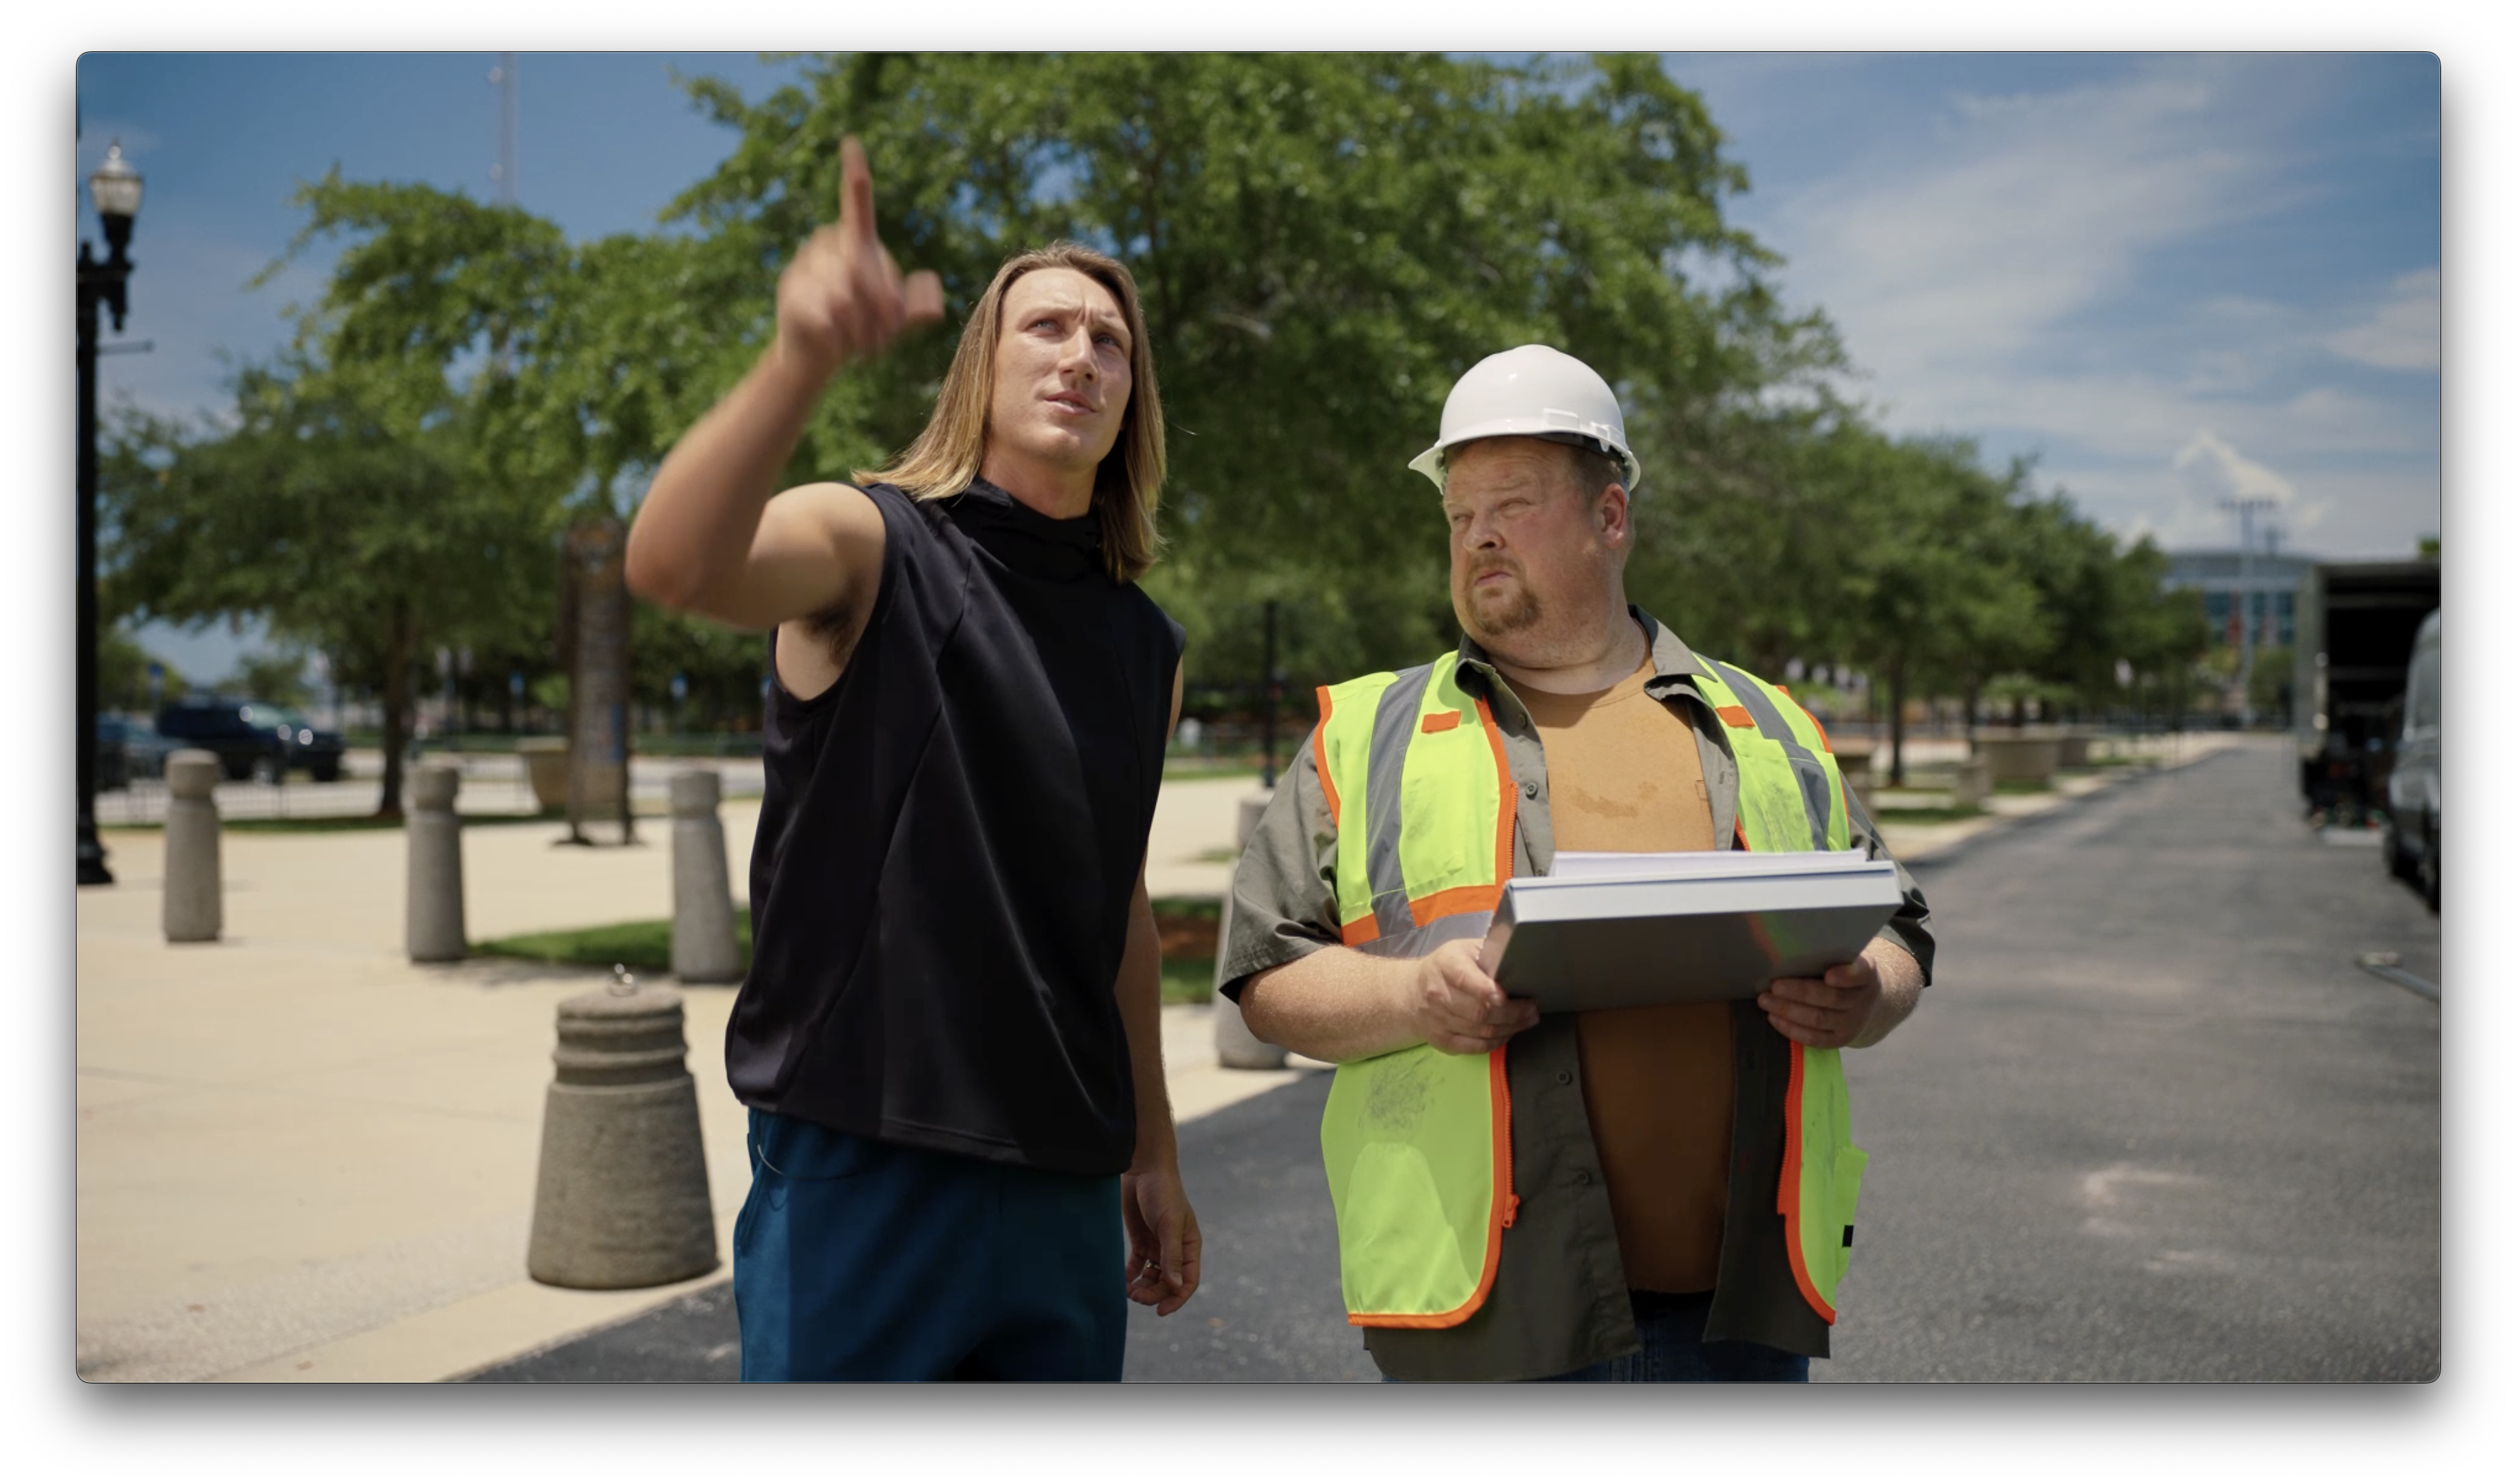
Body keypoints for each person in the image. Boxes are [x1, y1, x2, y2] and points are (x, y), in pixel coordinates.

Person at [1220, 345, 1933, 1383]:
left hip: (1735, 1322)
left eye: (1510, 503)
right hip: (1486, 1320)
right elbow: (1265, 978)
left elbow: (1897, 927)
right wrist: (1419, 996)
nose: (1479, 537)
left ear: (1611, 516)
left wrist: (1867, 993)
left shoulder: (1767, 724)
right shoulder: (1367, 734)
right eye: (1460, 515)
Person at [627, 137, 1200, 1381]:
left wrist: (1152, 1145)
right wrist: (801, 359)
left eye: (1111, 342)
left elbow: (1122, 912)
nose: (1081, 355)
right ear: (980, 368)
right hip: (864, 1160)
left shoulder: (1146, 645)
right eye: (1045, 327)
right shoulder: (867, 543)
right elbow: (673, 565)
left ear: (1133, 398)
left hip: (1062, 1175)